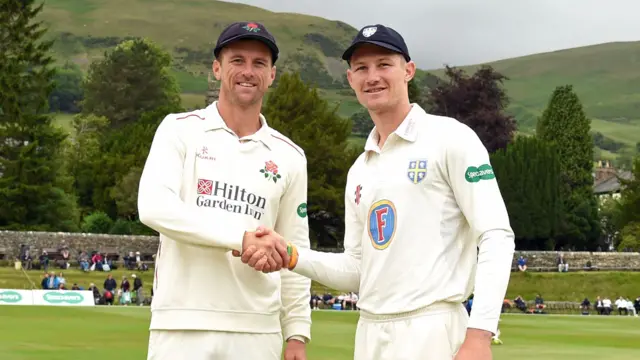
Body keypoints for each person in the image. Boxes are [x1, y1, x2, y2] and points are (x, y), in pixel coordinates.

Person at [242, 24, 515, 359]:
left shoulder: (450, 138)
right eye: (362, 68)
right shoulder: (360, 169)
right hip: (370, 333)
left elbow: (496, 235)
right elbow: (357, 269)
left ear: (408, 71)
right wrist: (291, 253)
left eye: (384, 64)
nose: (372, 76)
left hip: (432, 330)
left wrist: (480, 334)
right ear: (350, 79)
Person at [138, 21, 311, 360]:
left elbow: (295, 247)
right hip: (182, 323)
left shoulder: (290, 155)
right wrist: (242, 239)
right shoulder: (179, 129)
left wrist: (297, 333)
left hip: (257, 328)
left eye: (259, 63)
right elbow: (154, 207)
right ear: (217, 68)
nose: (248, 71)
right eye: (237, 61)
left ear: (272, 75)